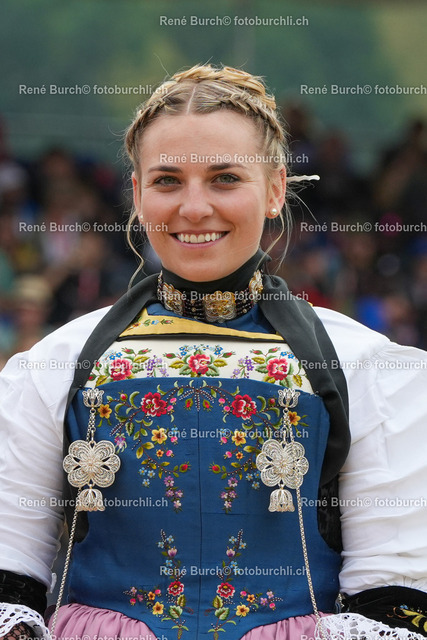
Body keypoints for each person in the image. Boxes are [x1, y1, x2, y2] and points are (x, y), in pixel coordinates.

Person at [1, 64, 427, 640]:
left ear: (275, 189)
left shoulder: (364, 366)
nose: (195, 207)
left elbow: (394, 598)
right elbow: (9, 577)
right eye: (168, 181)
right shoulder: (56, 364)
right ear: (137, 194)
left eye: (225, 178)